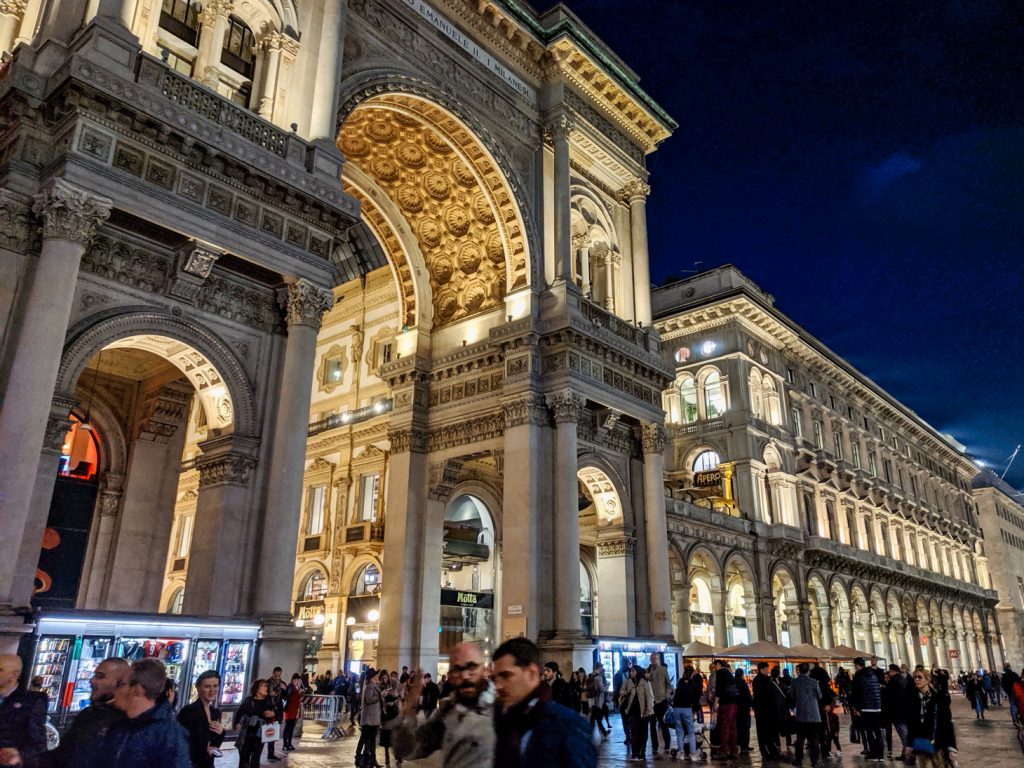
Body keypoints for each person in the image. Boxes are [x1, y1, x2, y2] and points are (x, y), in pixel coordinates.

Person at [492, 637, 597, 768]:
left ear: (531, 673)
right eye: (495, 678)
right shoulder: (505, 722)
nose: (498, 686)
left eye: (506, 675)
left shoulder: (567, 726)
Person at [394, 641, 495, 768]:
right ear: (451, 676)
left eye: (472, 667)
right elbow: (408, 750)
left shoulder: (502, 709)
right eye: (458, 669)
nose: (465, 676)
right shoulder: (447, 712)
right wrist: (408, 710)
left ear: (485, 670)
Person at [86, 658, 191, 768]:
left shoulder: (168, 734)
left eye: (121, 684)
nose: (116, 690)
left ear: (137, 690)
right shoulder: (118, 725)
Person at [41, 657, 129, 767]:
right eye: (95, 675)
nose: (92, 681)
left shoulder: (126, 722)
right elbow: (63, 755)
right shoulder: (90, 713)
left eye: (100, 677)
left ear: (120, 684)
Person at [0, 653, 50, 767]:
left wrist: (19, 756)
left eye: (0, 670)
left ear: (13, 675)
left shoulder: (31, 702)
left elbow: (39, 745)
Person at [907, 669, 957, 768]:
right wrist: (909, 744)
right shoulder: (914, 699)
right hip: (922, 743)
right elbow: (912, 724)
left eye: (920, 677)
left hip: (938, 743)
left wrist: (951, 747)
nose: (916, 680)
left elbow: (947, 722)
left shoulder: (938, 698)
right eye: (915, 677)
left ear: (927, 680)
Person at [177, 670, 225, 768]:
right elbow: (179, 742)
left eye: (215, 686)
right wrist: (204, 750)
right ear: (198, 689)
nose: (212, 690)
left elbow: (215, 744)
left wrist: (221, 733)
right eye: (207, 686)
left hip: (207, 763)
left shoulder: (215, 712)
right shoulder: (189, 711)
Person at [233, 679, 276, 768]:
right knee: (244, 756)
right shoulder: (248, 700)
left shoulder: (268, 700)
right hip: (247, 732)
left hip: (260, 733)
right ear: (256, 688)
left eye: (266, 686)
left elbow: (275, 712)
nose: (266, 688)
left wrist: (272, 714)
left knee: (256, 757)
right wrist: (237, 723)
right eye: (263, 686)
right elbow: (239, 712)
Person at [851, 657, 884, 764]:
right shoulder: (873, 675)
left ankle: (874, 754)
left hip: (866, 707)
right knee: (878, 732)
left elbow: (857, 693)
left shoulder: (859, 676)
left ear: (857, 665)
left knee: (869, 732)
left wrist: (856, 708)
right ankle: (880, 755)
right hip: (877, 707)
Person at [790, 663, 822, 768]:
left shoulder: (794, 682)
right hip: (814, 715)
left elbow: (792, 696)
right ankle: (815, 761)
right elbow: (819, 696)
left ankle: (798, 759)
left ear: (799, 670)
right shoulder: (814, 682)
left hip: (801, 715)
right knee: (814, 741)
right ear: (808, 671)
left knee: (800, 739)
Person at [751, 661, 784, 760]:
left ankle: (771, 750)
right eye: (766, 669)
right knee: (763, 732)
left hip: (768, 710)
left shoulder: (766, 679)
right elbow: (762, 695)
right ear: (761, 670)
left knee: (768, 731)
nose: (768, 670)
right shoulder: (759, 680)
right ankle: (765, 752)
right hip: (763, 710)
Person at [710, 659, 738, 759]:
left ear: (718, 664)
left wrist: (716, 702)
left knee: (724, 727)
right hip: (733, 703)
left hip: (725, 703)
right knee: (732, 727)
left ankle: (723, 751)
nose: (714, 668)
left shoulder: (720, 673)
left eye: (714, 666)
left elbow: (719, 689)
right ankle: (733, 750)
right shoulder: (729, 673)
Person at [670, 665, 700, 760]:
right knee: (691, 732)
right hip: (687, 708)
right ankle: (693, 754)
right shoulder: (693, 683)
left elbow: (675, 695)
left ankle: (681, 753)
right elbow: (696, 698)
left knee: (679, 731)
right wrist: (695, 709)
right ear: (691, 674)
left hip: (676, 708)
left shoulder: (680, 682)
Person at [355, 669, 383, 768]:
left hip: (373, 718)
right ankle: (360, 759)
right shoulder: (369, 687)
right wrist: (380, 696)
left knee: (370, 740)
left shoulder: (374, 686)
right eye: (377, 675)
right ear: (372, 677)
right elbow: (369, 699)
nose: (378, 676)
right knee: (365, 739)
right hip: (369, 719)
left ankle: (370, 760)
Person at [646, 652, 672, 756]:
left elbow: (669, 685)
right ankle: (654, 747)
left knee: (663, 724)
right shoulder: (647, 670)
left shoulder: (663, 670)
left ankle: (667, 745)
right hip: (652, 702)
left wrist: (666, 696)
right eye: (652, 658)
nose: (653, 660)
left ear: (658, 659)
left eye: (655, 658)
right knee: (652, 726)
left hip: (662, 701)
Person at [265, 667, 285, 762]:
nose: (277, 677)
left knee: (274, 731)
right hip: (270, 710)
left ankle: (271, 753)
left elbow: (286, 695)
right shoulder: (268, 683)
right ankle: (269, 753)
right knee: (269, 731)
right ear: (273, 674)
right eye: (275, 675)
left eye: (279, 676)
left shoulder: (281, 683)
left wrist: (284, 689)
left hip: (277, 711)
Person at [586, 663, 609, 737]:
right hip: (598, 699)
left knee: (594, 717)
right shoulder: (599, 677)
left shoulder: (591, 675)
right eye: (602, 667)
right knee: (596, 717)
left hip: (591, 698)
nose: (602, 669)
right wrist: (607, 687)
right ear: (599, 667)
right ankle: (589, 733)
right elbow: (601, 689)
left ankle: (603, 732)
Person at [733, 667, 753, 753]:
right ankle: (744, 746)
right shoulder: (742, 682)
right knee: (745, 727)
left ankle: (737, 743)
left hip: (735, 707)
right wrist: (752, 703)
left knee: (737, 726)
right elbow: (747, 694)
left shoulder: (733, 682)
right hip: (744, 707)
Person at [282, 673, 303, 750]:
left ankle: (289, 743)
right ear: (295, 679)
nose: (300, 681)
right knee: (288, 727)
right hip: (289, 710)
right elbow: (288, 697)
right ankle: (285, 744)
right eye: (299, 679)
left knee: (291, 727)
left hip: (294, 710)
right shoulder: (290, 687)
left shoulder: (296, 687)